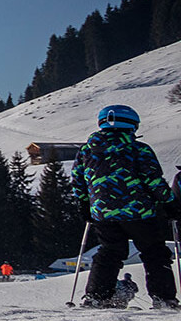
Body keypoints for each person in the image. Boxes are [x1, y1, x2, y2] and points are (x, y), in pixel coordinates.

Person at [72, 104, 177, 309]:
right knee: (154, 252)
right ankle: (163, 298)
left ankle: (97, 296)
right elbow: (153, 180)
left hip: (102, 213)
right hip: (139, 212)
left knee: (110, 252)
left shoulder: (86, 151)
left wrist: (84, 204)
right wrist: (169, 203)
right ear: (132, 125)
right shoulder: (138, 149)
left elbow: (78, 181)